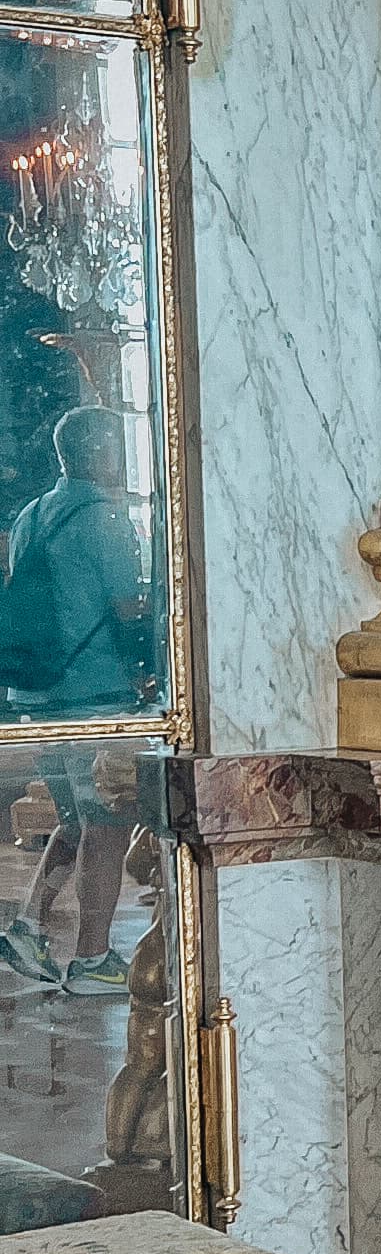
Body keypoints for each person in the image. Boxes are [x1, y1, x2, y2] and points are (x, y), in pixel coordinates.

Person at [0, 413, 149, 995]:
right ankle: (92, 958)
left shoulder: (32, 514)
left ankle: (28, 926)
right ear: (105, 452)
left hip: (33, 692)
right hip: (91, 693)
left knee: (73, 817)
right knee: (108, 822)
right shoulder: (106, 520)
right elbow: (127, 609)